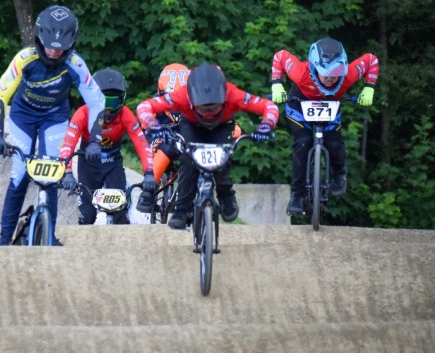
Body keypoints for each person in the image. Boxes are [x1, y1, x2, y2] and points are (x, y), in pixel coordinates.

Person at [0, 5, 105, 246]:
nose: (53, 52)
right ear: (38, 39)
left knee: (51, 174)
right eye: (49, 45)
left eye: (60, 48)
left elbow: (97, 101)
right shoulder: (25, 58)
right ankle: (3, 240)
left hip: (54, 116)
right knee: (20, 174)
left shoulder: (75, 63)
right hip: (23, 115)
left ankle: (49, 237)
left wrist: (95, 140)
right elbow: (0, 94)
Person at [137, 62, 278, 228]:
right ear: (191, 98)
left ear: (224, 97)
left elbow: (269, 106)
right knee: (188, 159)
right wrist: (152, 124)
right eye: (204, 107)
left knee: (221, 158)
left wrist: (266, 125)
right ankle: (182, 209)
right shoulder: (182, 95)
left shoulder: (232, 93)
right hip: (193, 124)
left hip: (222, 124)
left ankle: (226, 194)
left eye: (214, 106)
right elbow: (145, 106)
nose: (209, 113)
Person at [270, 37, 379, 215]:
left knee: (334, 144)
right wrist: (276, 84)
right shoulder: (300, 72)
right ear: (314, 67)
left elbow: (371, 60)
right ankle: (297, 195)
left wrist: (369, 87)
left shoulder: (348, 75)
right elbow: (280, 56)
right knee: (303, 143)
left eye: (336, 72)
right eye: (325, 72)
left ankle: (339, 172)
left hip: (331, 107)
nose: (330, 78)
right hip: (299, 105)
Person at [59, 67, 156, 225]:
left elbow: (142, 145)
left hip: (113, 166)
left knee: (120, 215)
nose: (108, 109)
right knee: (87, 216)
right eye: (103, 101)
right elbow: (67, 144)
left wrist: (149, 173)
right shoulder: (82, 114)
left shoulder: (125, 115)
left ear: (122, 100)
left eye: (113, 102)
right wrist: (67, 172)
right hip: (88, 166)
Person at [136, 63, 190, 213]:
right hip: (160, 139)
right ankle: (148, 192)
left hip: (185, 140)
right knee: (165, 146)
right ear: (160, 92)